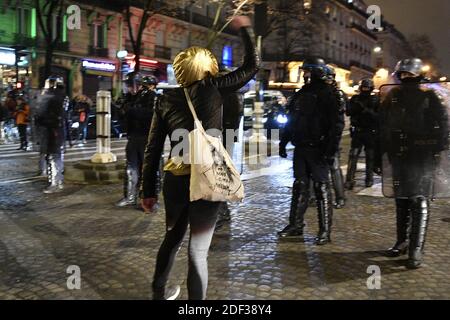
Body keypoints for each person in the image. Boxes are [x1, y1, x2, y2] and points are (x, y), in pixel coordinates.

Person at [140, 16, 259, 300]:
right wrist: (245, 28)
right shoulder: (214, 89)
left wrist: (148, 191)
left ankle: (158, 293)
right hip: (207, 178)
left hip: (176, 179)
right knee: (198, 250)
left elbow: (152, 148)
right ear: (209, 68)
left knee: (171, 239)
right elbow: (252, 65)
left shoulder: (164, 99)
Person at [380, 58, 449, 269]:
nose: (406, 78)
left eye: (410, 74)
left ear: (418, 75)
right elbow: (382, 125)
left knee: (419, 200)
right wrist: (380, 152)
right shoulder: (393, 96)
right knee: (401, 199)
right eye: (403, 75)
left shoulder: (430, 97)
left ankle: (415, 249)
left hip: (422, 155)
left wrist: (436, 148)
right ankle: (402, 242)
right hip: (399, 154)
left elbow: (443, 125)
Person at [278, 57, 344, 244]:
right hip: (301, 146)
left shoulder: (328, 94)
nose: (305, 75)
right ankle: (296, 225)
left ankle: (324, 231)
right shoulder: (301, 94)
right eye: (304, 71)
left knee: (321, 188)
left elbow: (335, 125)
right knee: (300, 186)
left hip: (319, 148)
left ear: (316, 72)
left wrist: (330, 149)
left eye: (308, 71)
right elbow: (292, 120)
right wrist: (284, 142)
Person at [116, 74, 158, 207]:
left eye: (130, 85)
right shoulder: (131, 97)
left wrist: (131, 110)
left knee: (148, 170)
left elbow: (151, 115)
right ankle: (130, 197)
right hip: (133, 136)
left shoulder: (153, 97)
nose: (129, 88)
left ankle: (148, 200)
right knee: (130, 168)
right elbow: (124, 116)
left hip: (147, 137)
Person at [215, 65, 244, 230]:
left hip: (221, 137)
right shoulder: (233, 92)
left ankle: (220, 213)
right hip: (223, 137)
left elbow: (230, 119)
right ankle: (223, 212)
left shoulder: (228, 94)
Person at [345, 78, 380, 190]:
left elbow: (378, 116)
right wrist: (356, 107)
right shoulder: (355, 99)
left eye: (367, 87)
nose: (365, 89)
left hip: (370, 131)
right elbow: (349, 111)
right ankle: (349, 179)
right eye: (364, 87)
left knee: (370, 156)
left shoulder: (375, 99)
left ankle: (369, 179)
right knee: (353, 155)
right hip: (358, 130)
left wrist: (367, 111)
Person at [34, 76, 67, 193]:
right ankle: (57, 181)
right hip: (56, 129)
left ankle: (55, 183)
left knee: (53, 156)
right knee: (56, 156)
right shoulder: (61, 96)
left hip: (51, 129)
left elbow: (40, 113)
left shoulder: (50, 96)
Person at [325, 66, 347, 209]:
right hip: (318, 134)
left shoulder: (337, 94)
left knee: (334, 167)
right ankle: (314, 196)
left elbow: (339, 119)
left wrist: (335, 137)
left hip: (331, 135)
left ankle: (340, 197)